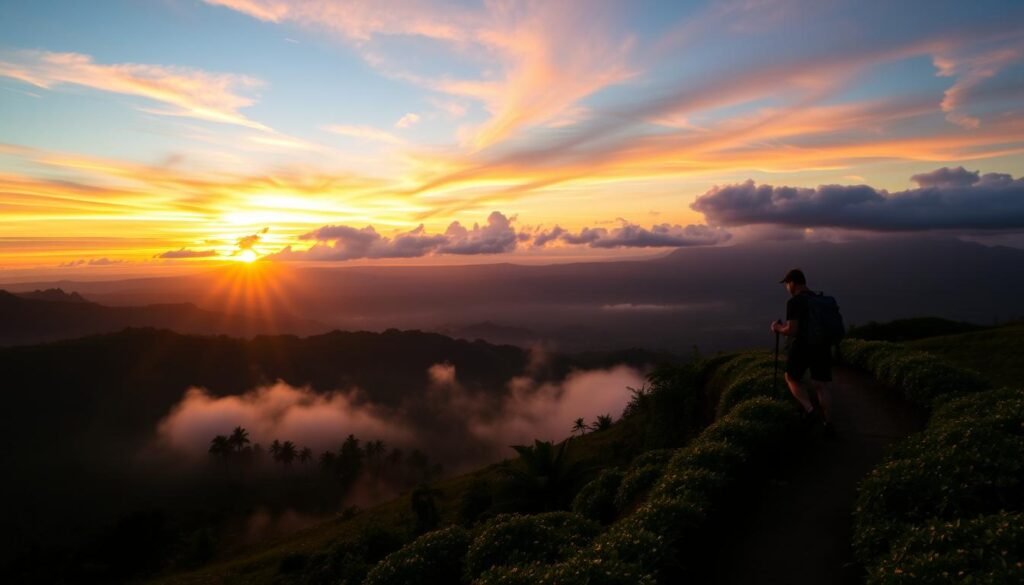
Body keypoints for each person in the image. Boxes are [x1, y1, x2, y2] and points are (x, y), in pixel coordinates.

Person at [770, 268, 835, 438]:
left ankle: (810, 409)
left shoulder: (795, 302)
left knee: (791, 377)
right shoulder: (819, 299)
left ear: (792, 283)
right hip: (823, 346)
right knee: (821, 385)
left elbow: (792, 330)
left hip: (804, 346)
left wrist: (777, 328)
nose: (787, 288)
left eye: (787, 284)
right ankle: (828, 424)